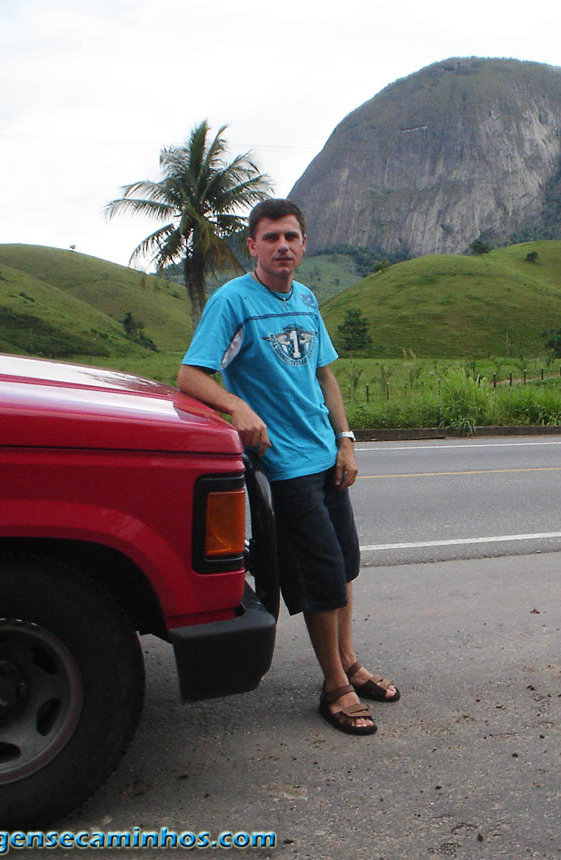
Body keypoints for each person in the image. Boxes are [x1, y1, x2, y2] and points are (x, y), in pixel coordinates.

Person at [177, 198, 398, 736]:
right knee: (322, 576)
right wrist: (239, 407)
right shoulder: (234, 302)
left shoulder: (305, 298)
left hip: (326, 456)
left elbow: (325, 377)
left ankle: (348, 660)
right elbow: (191, 375)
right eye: (271, 237)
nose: (282, 246)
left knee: (345, 565)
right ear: (252, 245)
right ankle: (334, 687)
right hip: (284, 466)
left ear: (304, 245)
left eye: (291, 237)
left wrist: (345, 442)